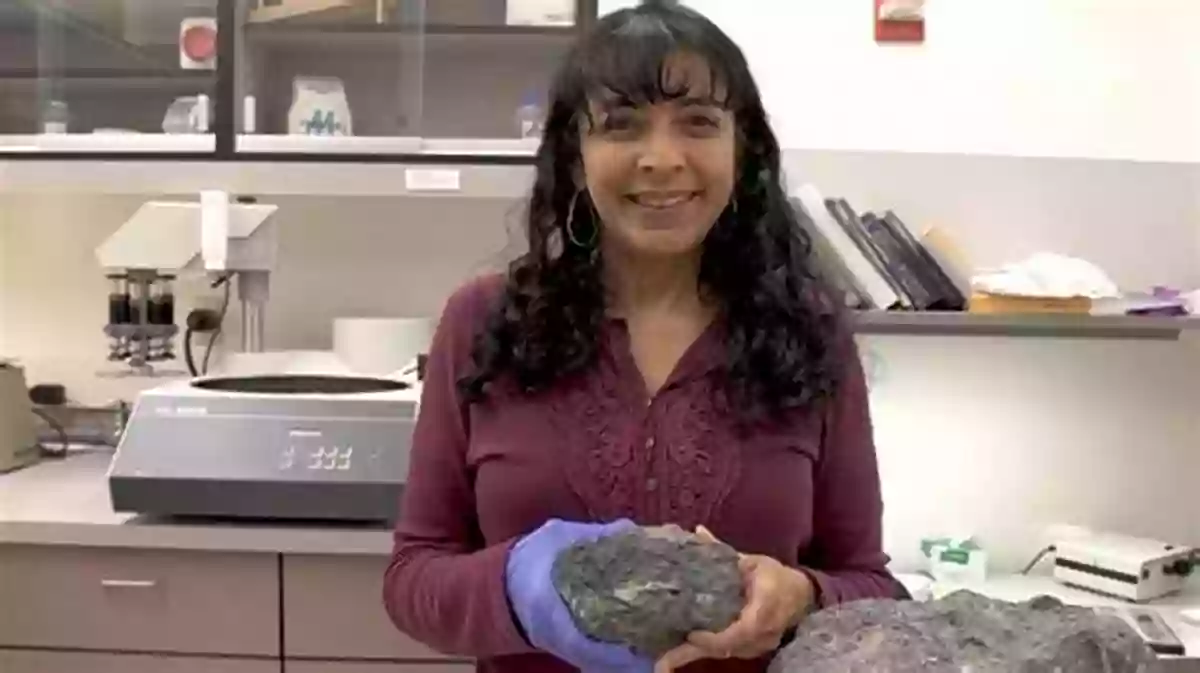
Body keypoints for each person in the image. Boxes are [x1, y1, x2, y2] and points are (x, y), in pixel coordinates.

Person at [383, 3, 906, 672]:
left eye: (698, 123)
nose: (661, 159)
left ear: (741, 151)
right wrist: (516, 585)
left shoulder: (811, 331)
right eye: (622, 125)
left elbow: (871, 586)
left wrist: (803, 596)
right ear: (575, 156)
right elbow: (412, 577)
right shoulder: (483, 322)